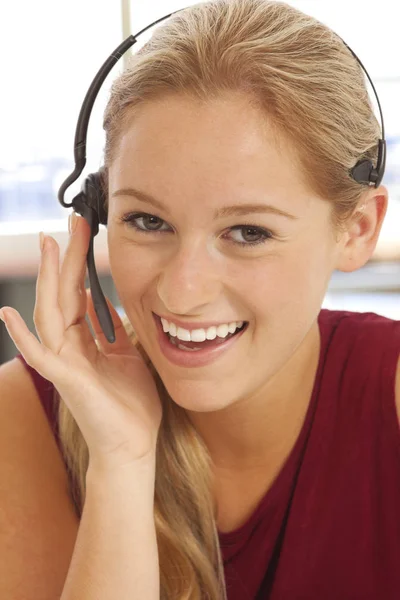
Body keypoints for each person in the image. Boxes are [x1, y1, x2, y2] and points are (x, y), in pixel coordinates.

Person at [0, 0, 399, 598]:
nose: (181, 291)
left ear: (358, 229)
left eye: (248, 232)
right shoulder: (24, 417)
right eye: (148, 221)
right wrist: (122, 462)